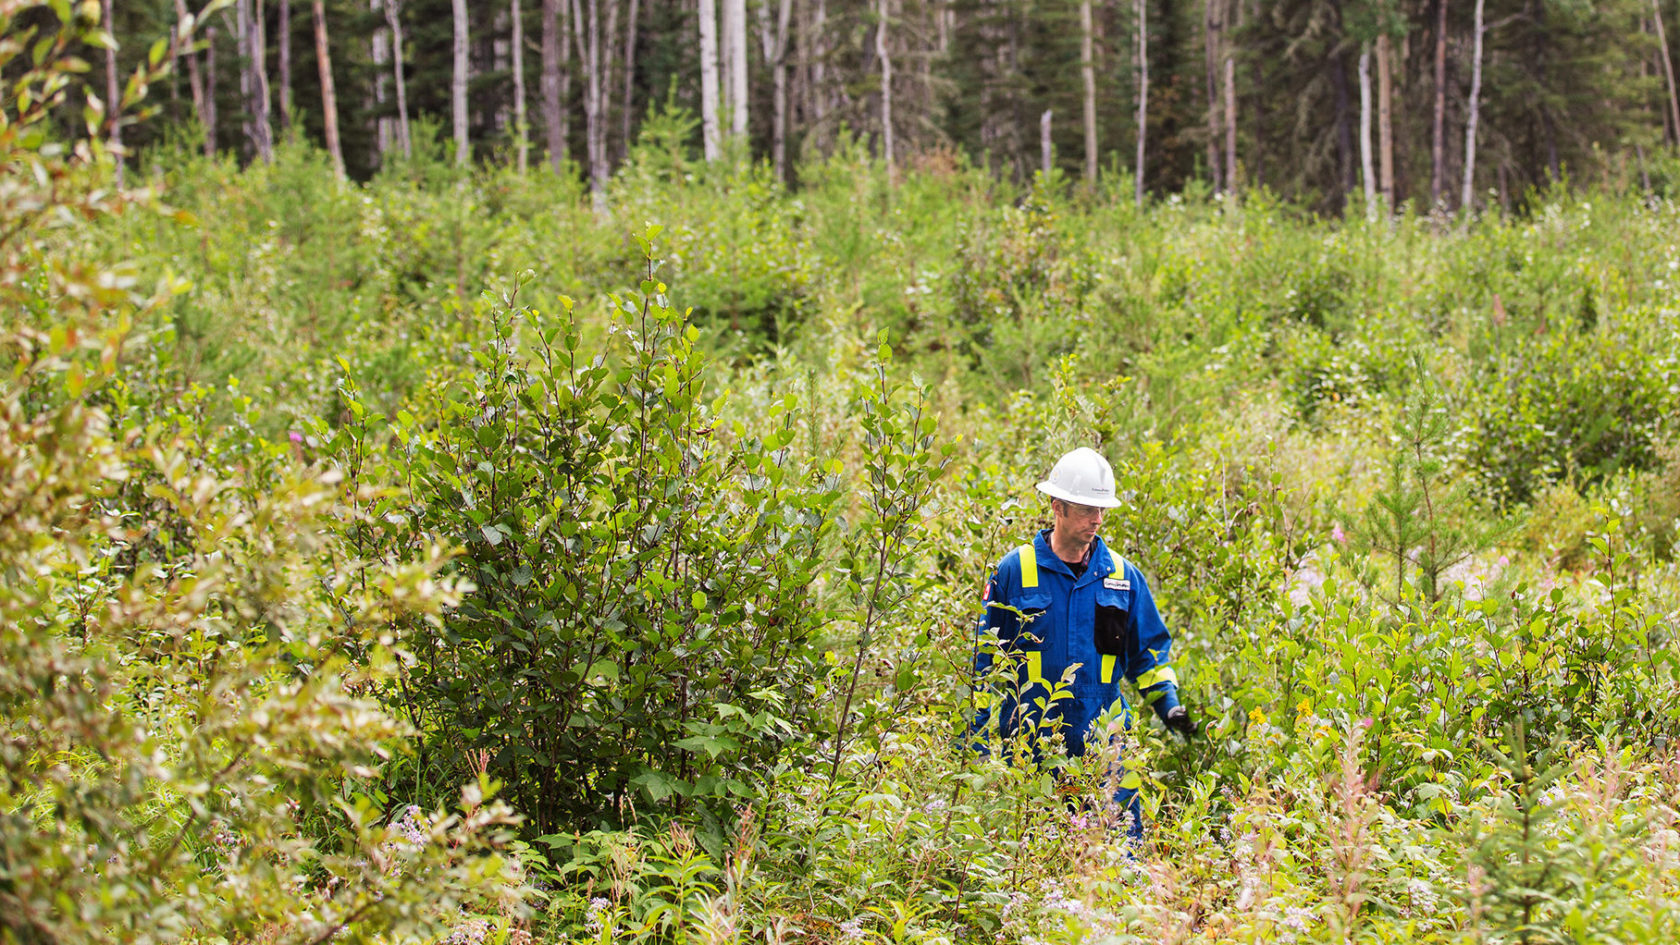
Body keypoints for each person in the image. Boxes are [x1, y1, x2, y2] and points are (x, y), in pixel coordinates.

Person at [972, 446, 1195, 840]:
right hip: (1032, 745)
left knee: (1116, 852)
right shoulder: (1015, 571)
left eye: (1102, 510)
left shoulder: (1123, 577)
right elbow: (983, 664)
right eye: (1087, 510)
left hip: (1105, 740)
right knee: (1033, 853)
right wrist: (974, 744)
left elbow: (1147, 656)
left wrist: (1170, 706)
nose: (1097, 520)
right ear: (1057, 507)